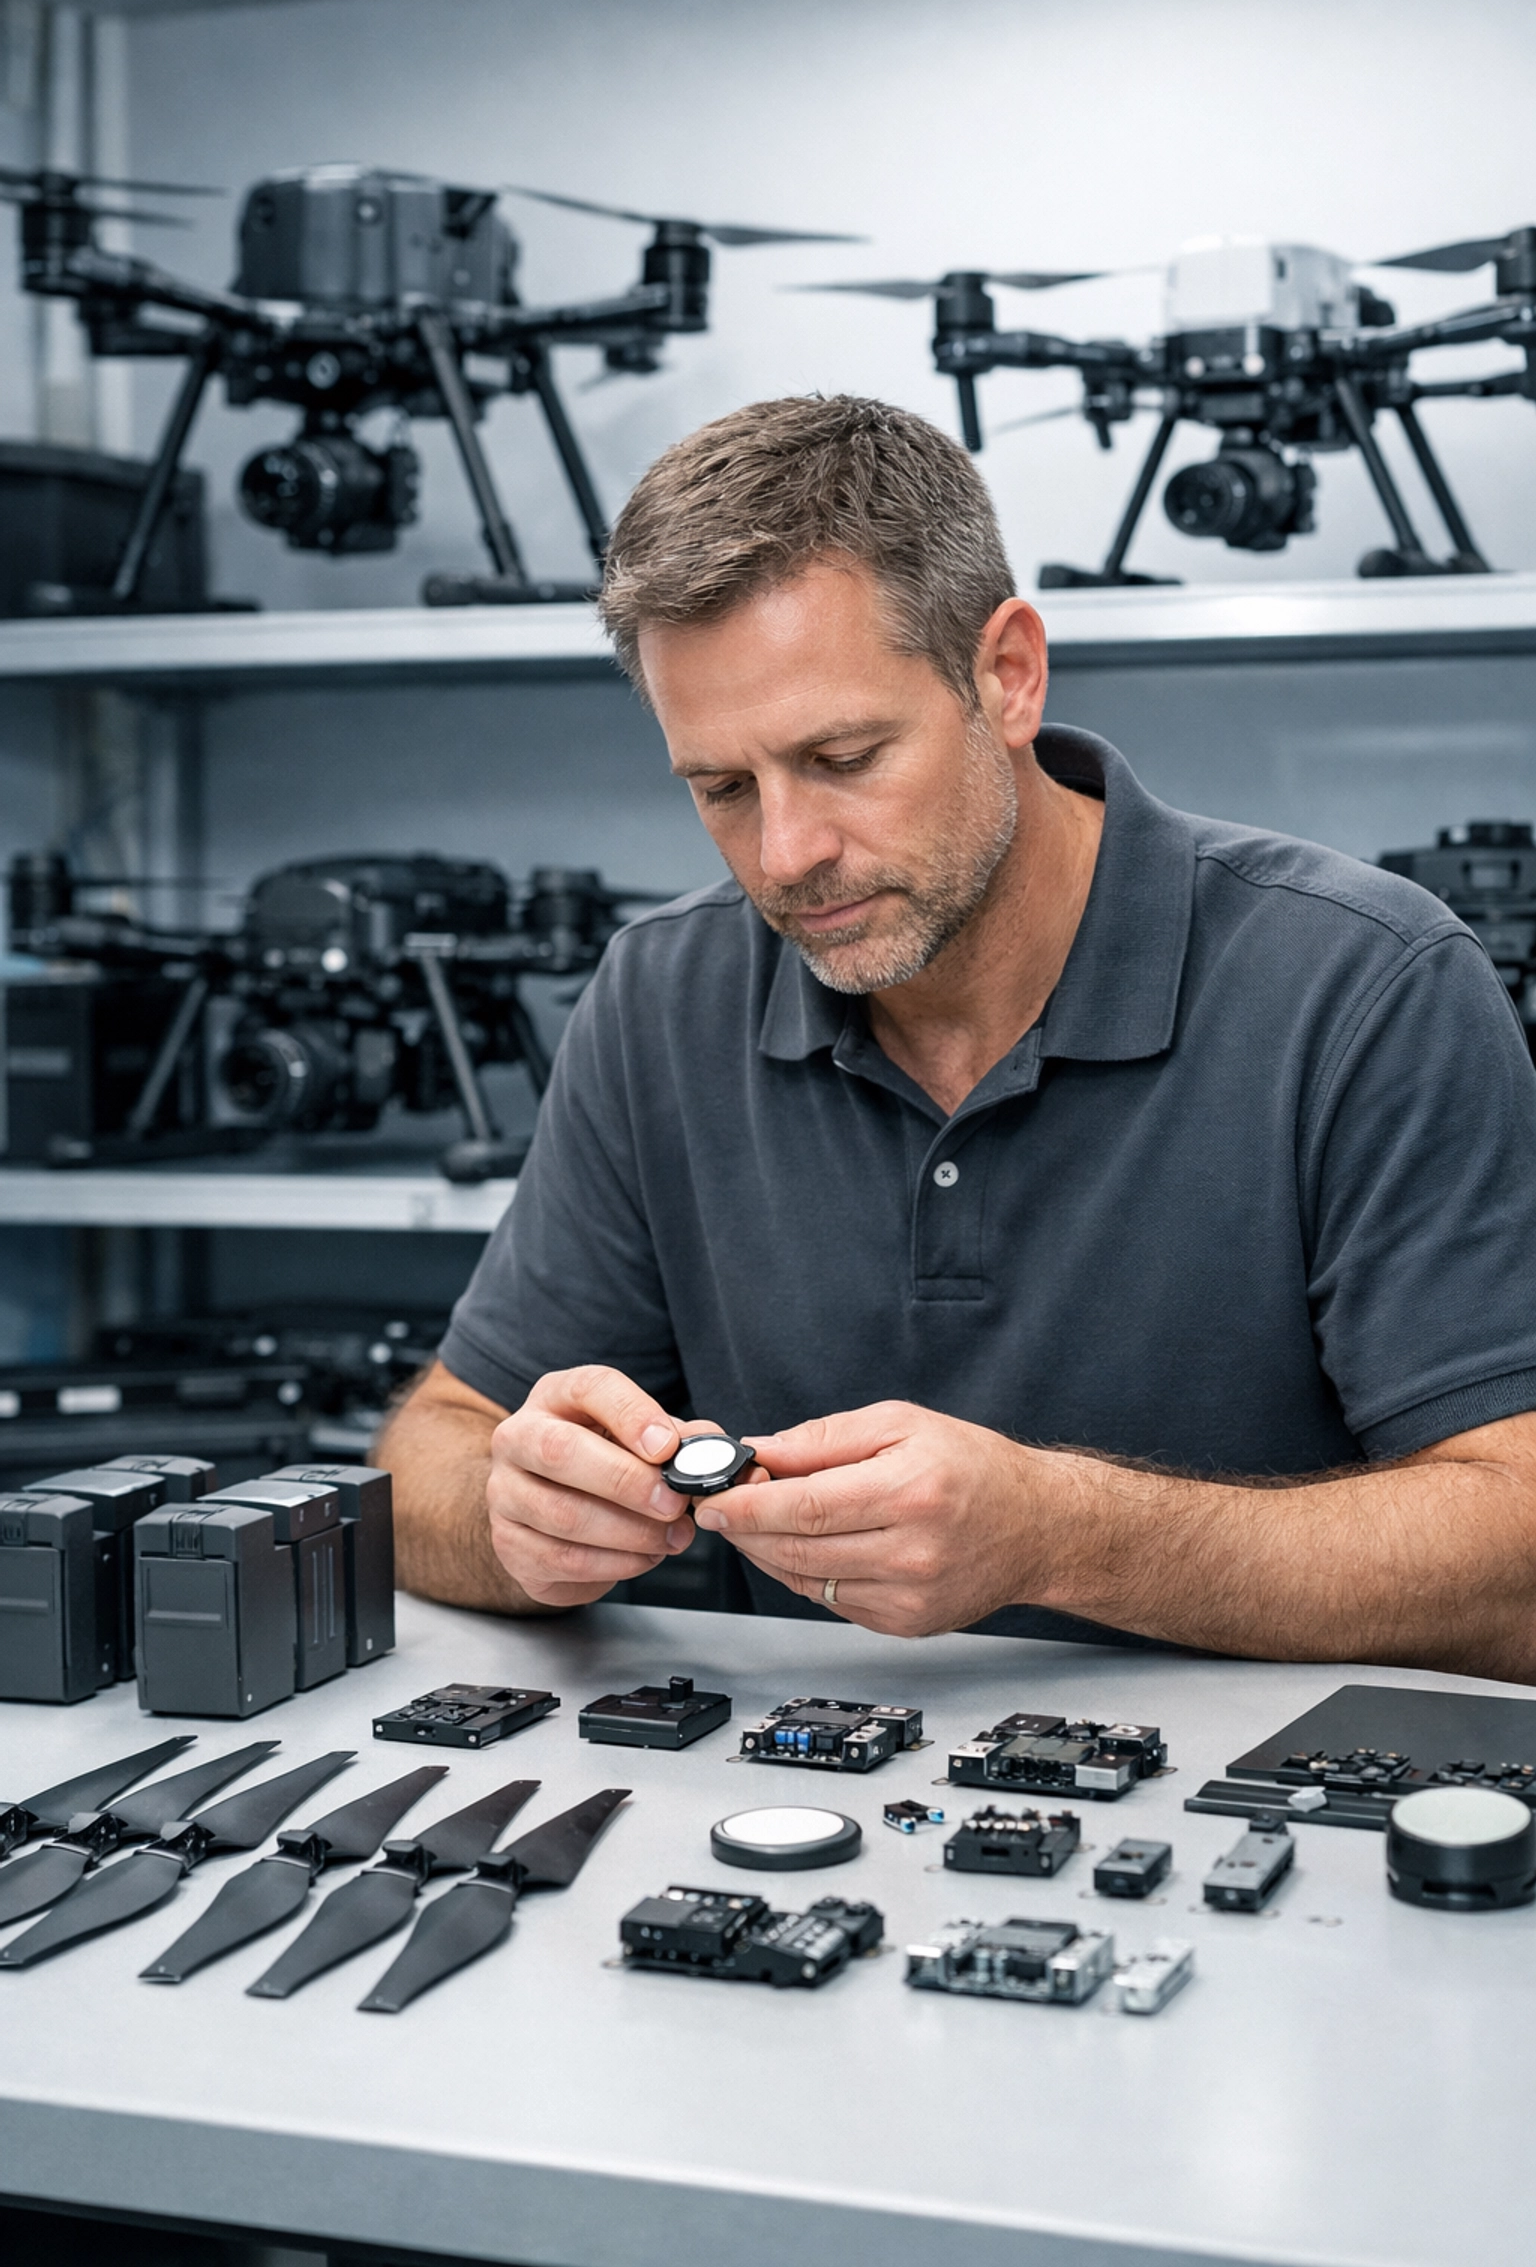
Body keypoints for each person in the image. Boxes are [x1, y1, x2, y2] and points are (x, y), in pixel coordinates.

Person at [377, 393, 1536, 1681]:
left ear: (1009, 676)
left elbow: (1517, 1547)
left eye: (846, 755)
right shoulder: (661, 997)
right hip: (793, 1820)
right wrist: (516, 1512)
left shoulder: (1368, 987)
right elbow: (433, 1449)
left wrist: (1060, 1538)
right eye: (721, 788)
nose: (787, 855)